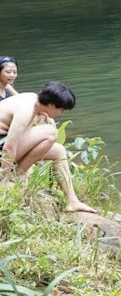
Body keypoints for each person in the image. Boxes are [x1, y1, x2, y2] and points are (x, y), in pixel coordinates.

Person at [0, 81, 96, 213]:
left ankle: (72, 201)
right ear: (50, 105)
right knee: (50, 133)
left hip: (2, 144)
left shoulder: (34, 102)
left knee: (59, 151)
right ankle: (17, 176)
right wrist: (4, 180)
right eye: (60, 109)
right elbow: (9, 147)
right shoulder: (26, 109)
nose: (61, 113)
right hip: (3, 150)